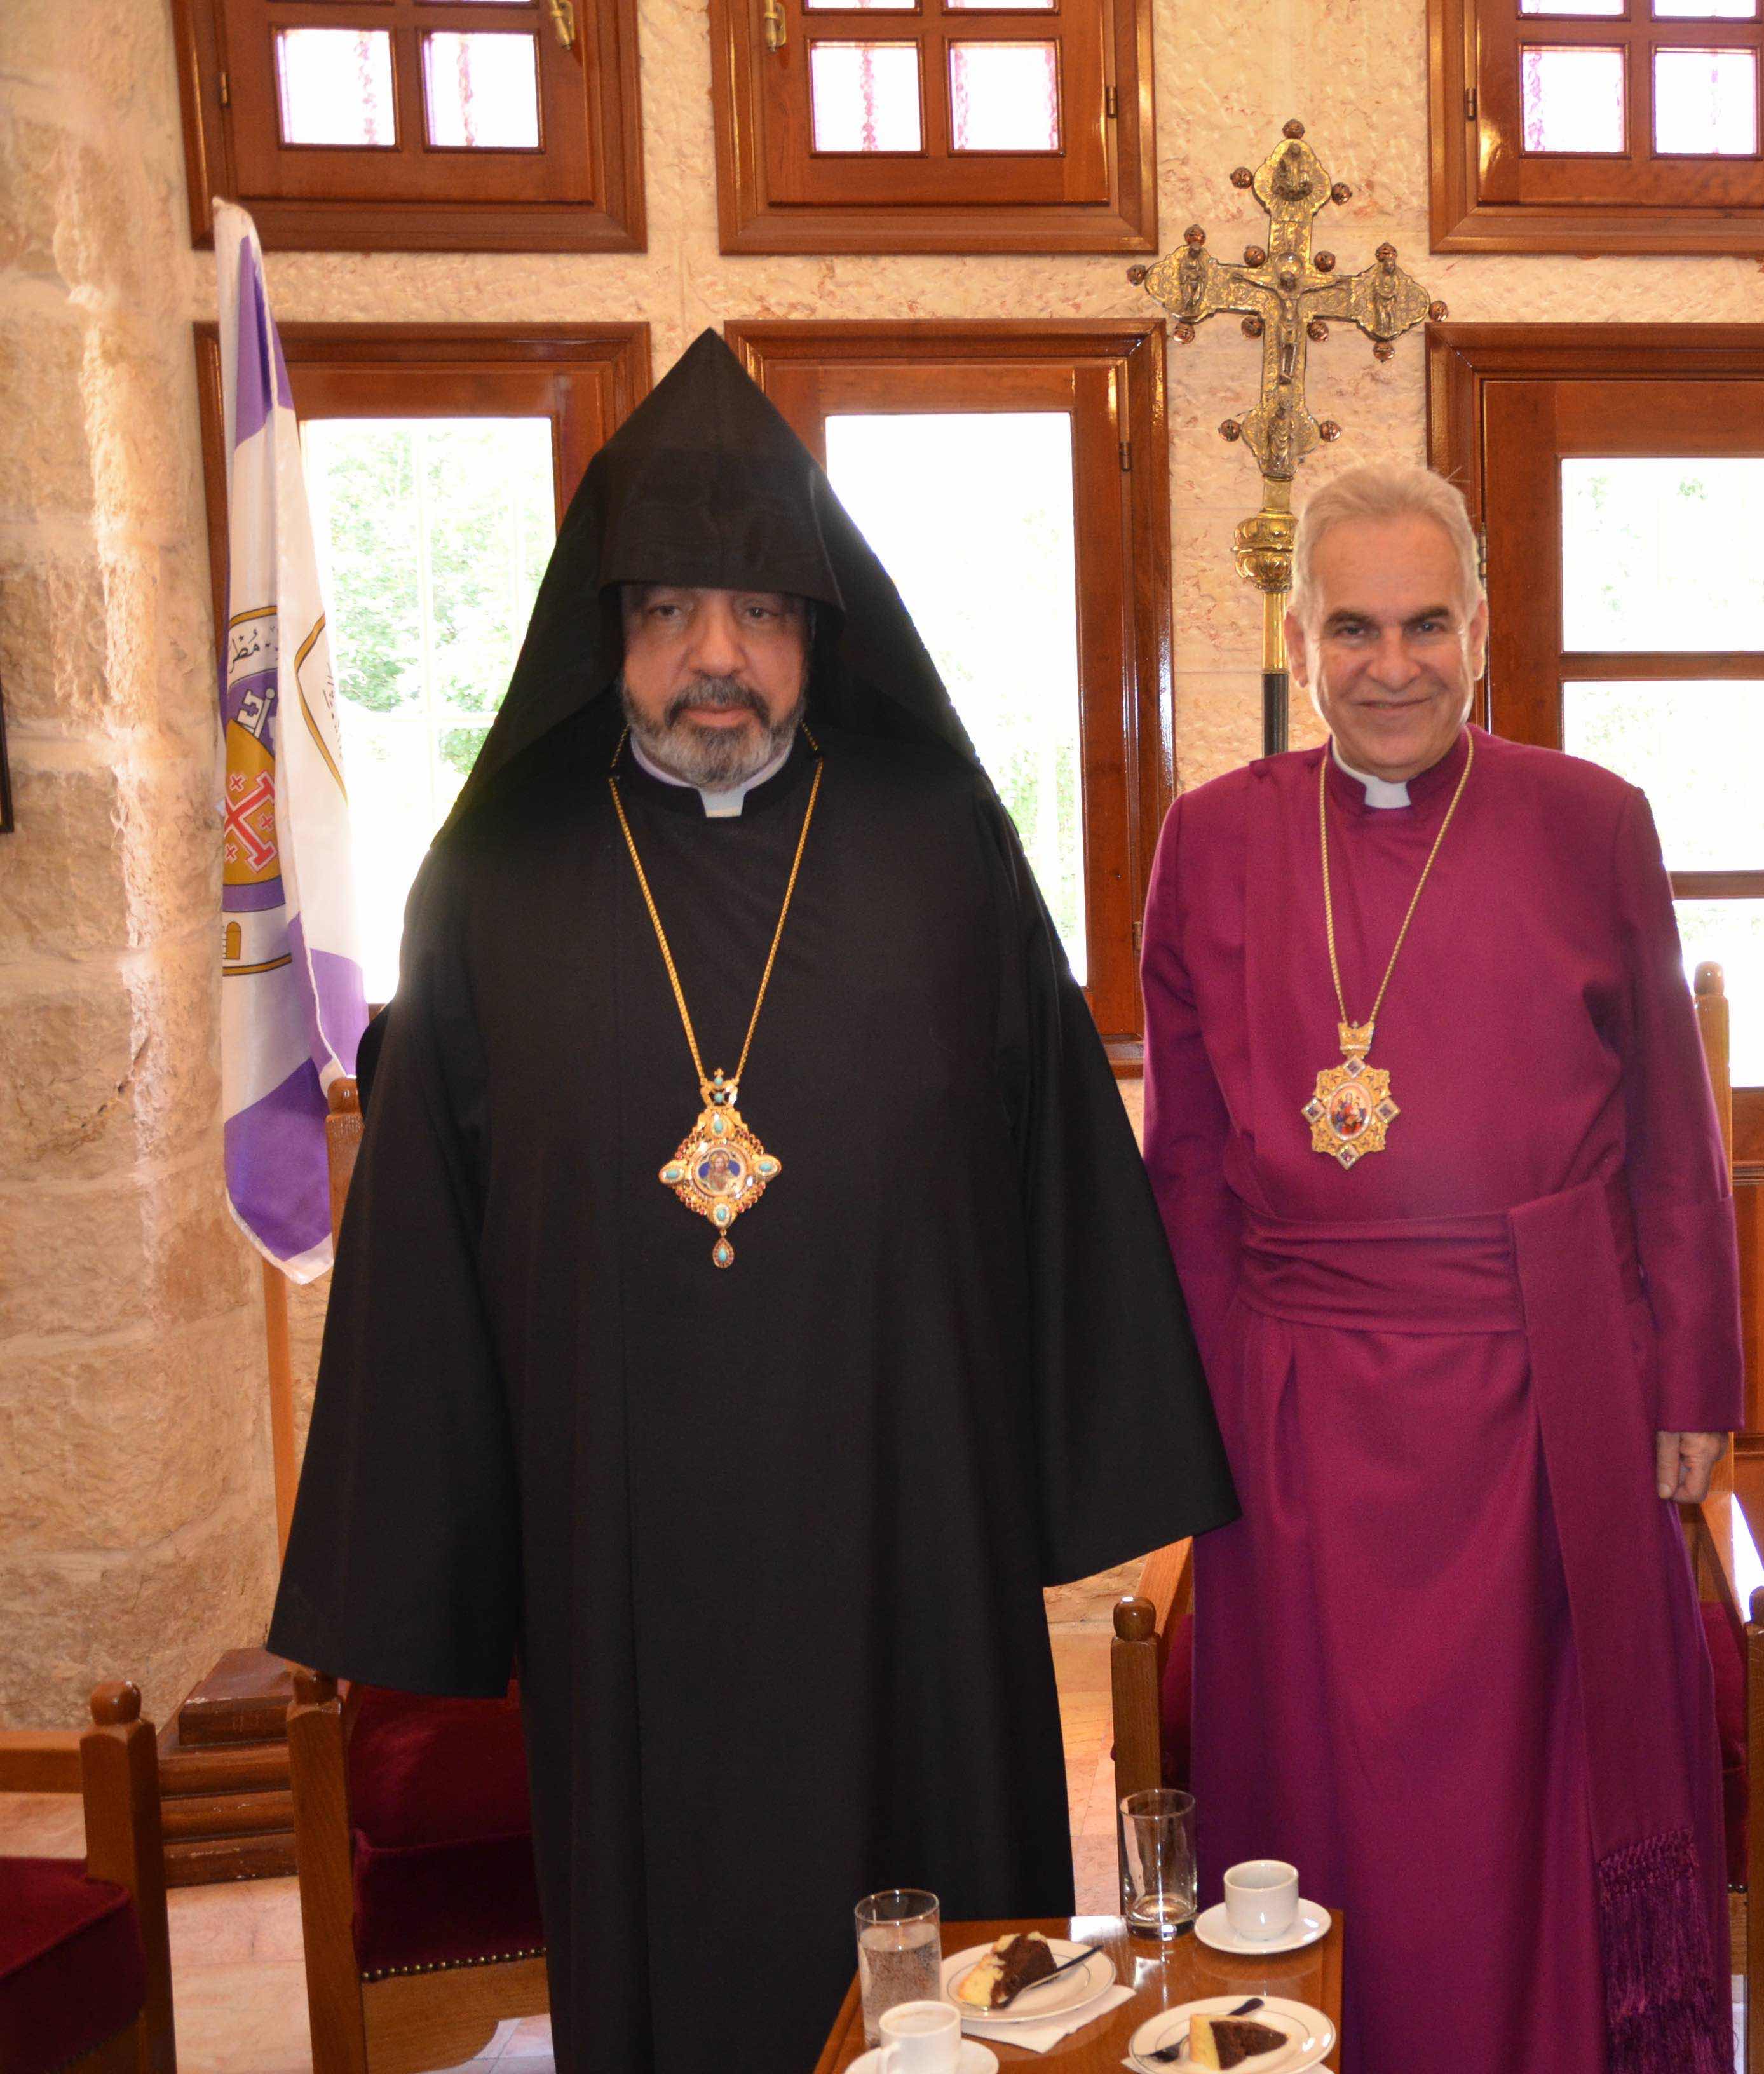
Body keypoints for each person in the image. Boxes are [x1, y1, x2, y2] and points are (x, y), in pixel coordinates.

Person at [268, 332, 1238, 2073]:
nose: (717, 658)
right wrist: (421, 1561)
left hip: (911, 1516)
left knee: (948, 1949)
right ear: (609, 631)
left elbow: (1063, 1184)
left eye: (761, 613)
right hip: (624, 1549)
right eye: (670, 614)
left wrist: (1092, 1451)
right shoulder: (496, 874)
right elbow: (424, 1244)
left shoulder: (941, 840)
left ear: (820, 630)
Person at [1139, 460, 1744, 2074]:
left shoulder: (1590, 820)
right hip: (1299, 1398)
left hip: (1547, 1385)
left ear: (1481, 628)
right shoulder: (1209, 841)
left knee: (1534, 1787)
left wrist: (1693, 1375)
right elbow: (1186, 1170)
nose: (1389, 664)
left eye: (1424, 626)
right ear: (1299, 633)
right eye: (1352, 627)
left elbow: (1674, 1138)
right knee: (1330, 1789)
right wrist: (1180, 1430)